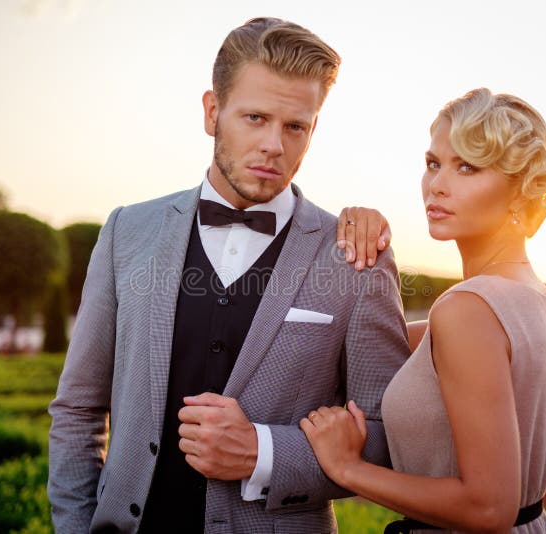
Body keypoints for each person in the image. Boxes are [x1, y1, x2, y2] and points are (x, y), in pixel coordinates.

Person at [47, 17, 411, 534]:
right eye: (255, 117)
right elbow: (79, 410)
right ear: (212, 111)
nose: (274, 146)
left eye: (295, 127)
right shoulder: (127, 232)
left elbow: (387, 439)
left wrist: (263, 453)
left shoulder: (356, 257)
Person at [302, 88, 546, 533]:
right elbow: (374, 343)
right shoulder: (536, 296)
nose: (437, 184)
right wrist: (358, 231)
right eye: (434, 163)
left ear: (520, 192)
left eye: (467, 166)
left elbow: (488, 509)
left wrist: (348, 468)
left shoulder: (468, 310)